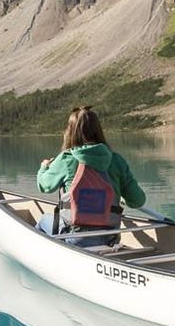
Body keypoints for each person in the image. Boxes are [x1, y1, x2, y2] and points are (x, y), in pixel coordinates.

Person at [36, 106, 147, 247]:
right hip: (110, 238)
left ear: (70, 132)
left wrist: (43, 167)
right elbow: (137, 201)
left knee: (43, 219)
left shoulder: (67, 159)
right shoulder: (117, 160)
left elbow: (43, 186)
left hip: (76, 238)